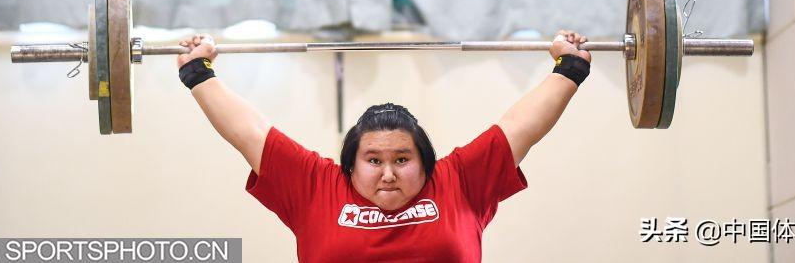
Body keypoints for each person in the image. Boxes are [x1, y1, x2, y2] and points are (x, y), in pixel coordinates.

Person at [176, 30, 592, 263]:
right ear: (351, 166)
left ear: (426, 164)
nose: (388, 173)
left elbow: (520, 127)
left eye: (403, 159)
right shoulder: (317, 187)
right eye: (373, 160)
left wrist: (569, 68)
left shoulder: (459, 181)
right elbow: (249, 132)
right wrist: (198, 72)